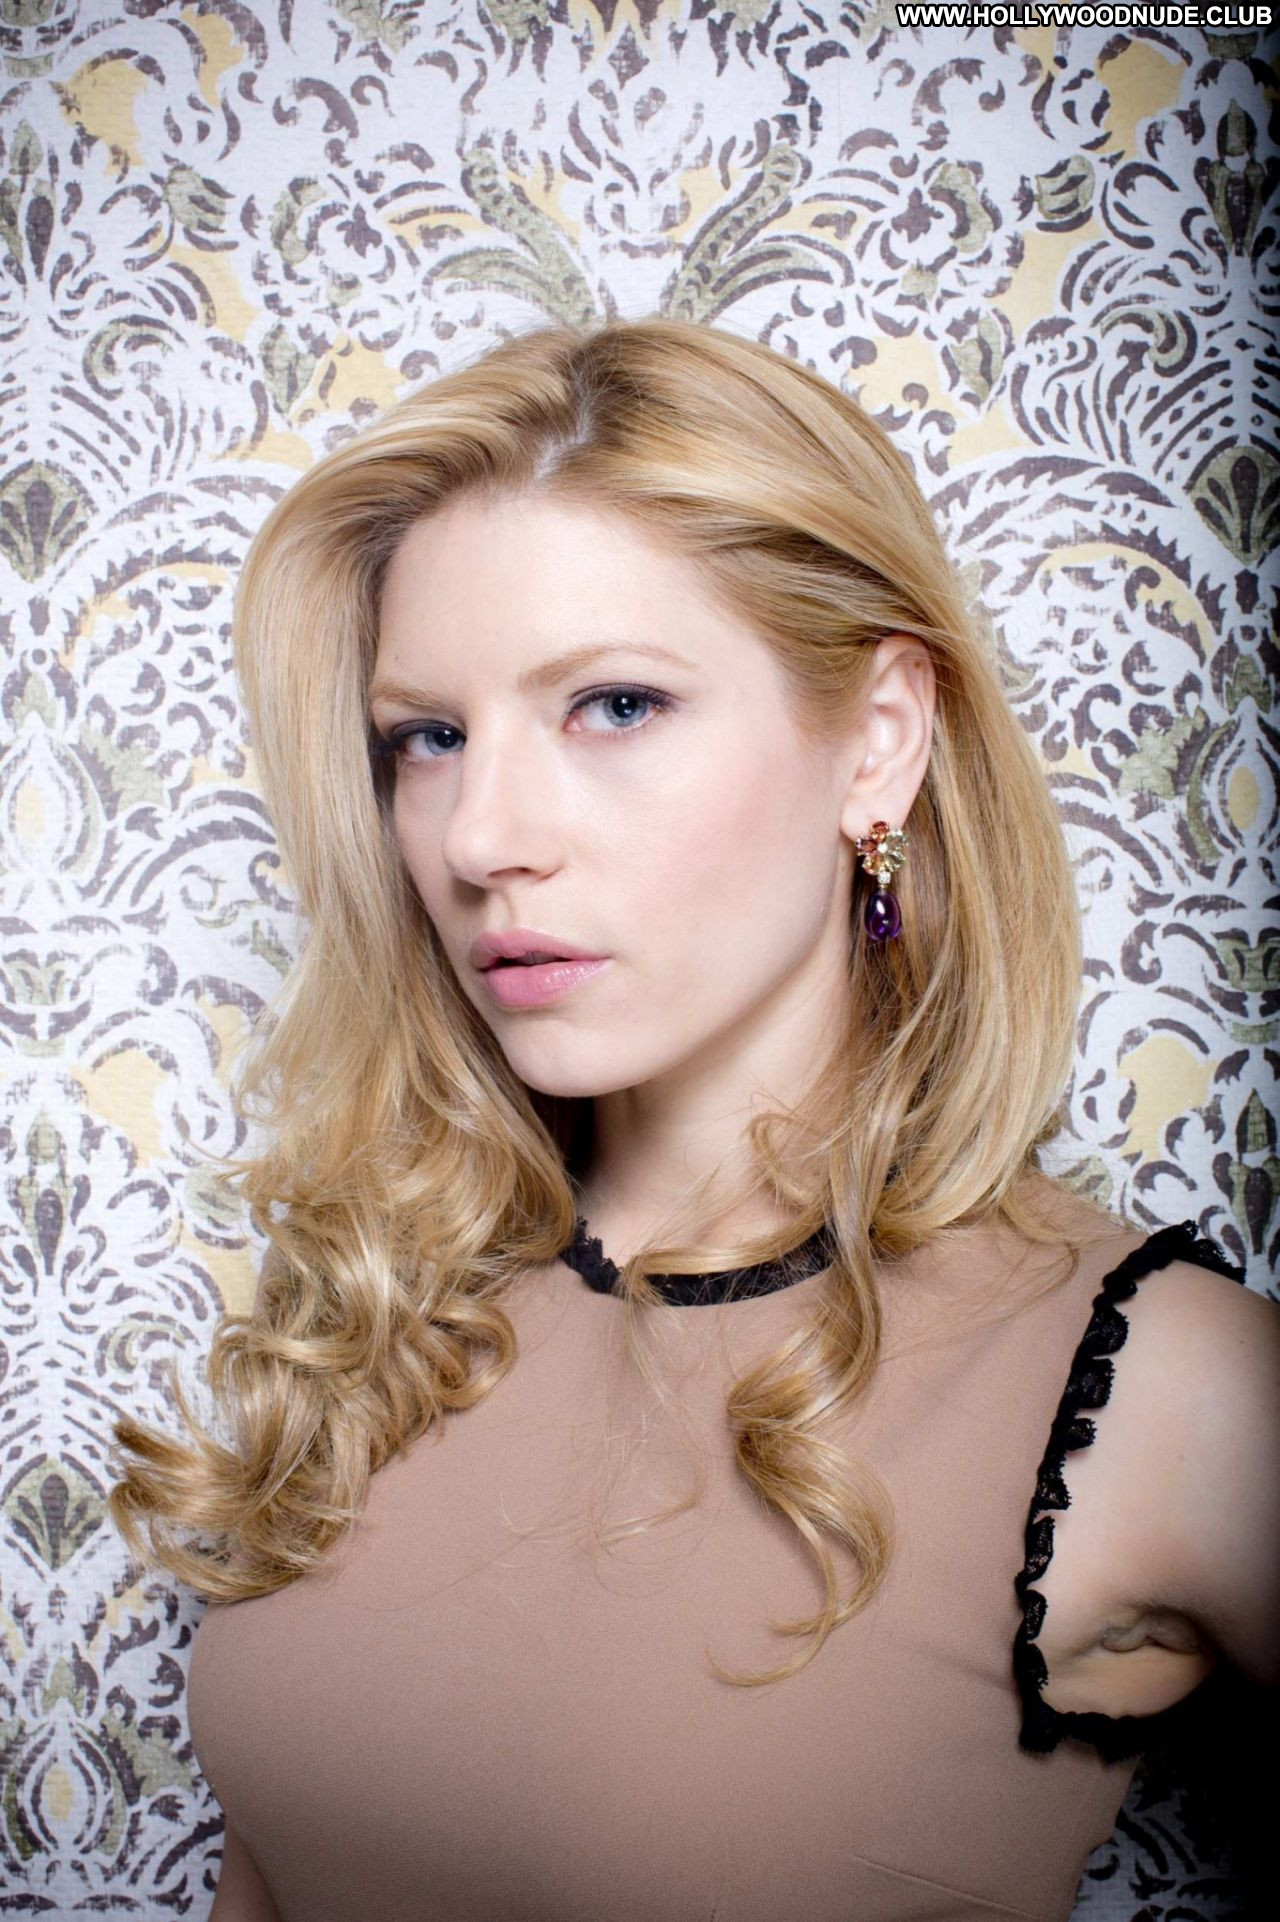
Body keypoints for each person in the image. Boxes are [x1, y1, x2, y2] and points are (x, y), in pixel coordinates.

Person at [107, 316, 1279, 1922]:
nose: (481, 836)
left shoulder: (1164, 1383)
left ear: (880, 739)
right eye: (428, 736)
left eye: (613, 704)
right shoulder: (387, 1300)